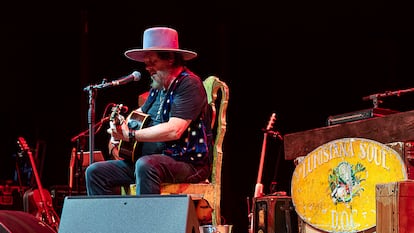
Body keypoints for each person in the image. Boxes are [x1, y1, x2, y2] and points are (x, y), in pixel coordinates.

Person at [85, 26, 213, 195]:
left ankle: (146, 220)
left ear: (170, 59)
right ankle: (109, 221)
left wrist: (130, 135)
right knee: (95, 172)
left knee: (145, 165)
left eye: (153, 63)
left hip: (187, 163)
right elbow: (139, 115)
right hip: (152, 162)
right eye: (146, 64)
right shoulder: (159, 87)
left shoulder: (189, 85)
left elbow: (175, 130)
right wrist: (119, 129)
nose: (148, 68)